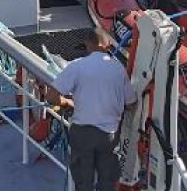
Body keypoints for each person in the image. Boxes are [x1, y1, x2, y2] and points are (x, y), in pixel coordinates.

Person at [48, 36, 137, 191]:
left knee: (83, 182)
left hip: (82, 134)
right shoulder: (118, 69)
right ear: (108, 45)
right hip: (108, 136)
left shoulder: (77, 66)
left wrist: (68, 103)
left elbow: (51, 97)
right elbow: (131, 104)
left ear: (88, 45)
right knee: (107, 182)